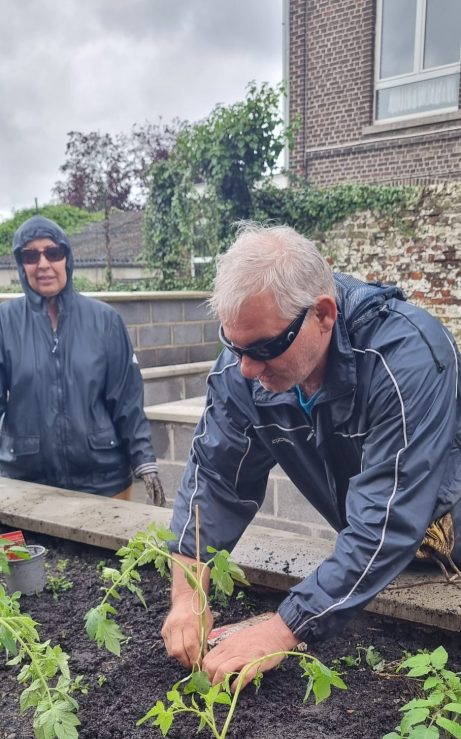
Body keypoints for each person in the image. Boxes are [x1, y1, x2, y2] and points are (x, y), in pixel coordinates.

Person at [161, 222, 461, 687]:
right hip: (383, 551)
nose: (246, 368)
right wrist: (187, 593)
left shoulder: (405, 357)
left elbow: (385, 519)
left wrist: (283, 629)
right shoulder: (245, 366)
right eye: (232, 345)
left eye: (263, 348)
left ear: (322, 314)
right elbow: (217, 478)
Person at [0, 215, 165, 505]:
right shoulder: (5, 323)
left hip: (104, 481)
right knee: (29, 553)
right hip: (26, 484)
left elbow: (127, 400)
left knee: (105, 553)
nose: (43, 264)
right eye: (30, 255)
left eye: (53, 252)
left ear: (67, 257)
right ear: (20, 263)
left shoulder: (105, 321)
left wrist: (144, 461)